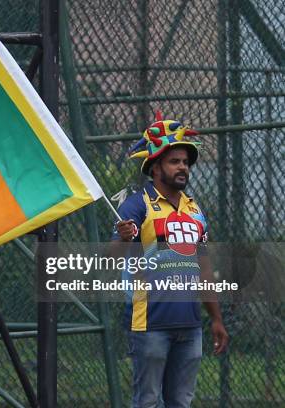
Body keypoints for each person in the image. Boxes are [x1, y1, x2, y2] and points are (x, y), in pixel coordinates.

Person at [111, 112, 229, 408]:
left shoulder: (194, 210)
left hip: (190, 326)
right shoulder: (136, 205)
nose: (183, 168)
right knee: (148, 401)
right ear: (155, 167)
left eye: (186, 163)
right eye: (175, 161)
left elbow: (203, 268)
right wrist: (124, 239)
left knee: (181, 401)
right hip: (149, 324)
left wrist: (215, 318)